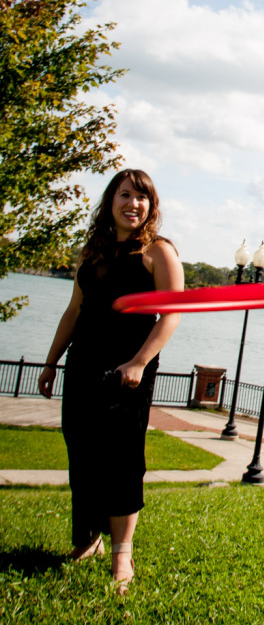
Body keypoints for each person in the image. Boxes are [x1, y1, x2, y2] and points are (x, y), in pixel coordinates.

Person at [39, 169, 183, 594]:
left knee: (120, 460)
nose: (133, 204)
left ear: (150, 206)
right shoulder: (93, 251)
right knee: (81, 451)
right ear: (111, 201)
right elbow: (73, 312)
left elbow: (171, 315)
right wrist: (50, 364)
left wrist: (138, 362)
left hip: (127, 373)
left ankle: (123, 552)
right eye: (125, 195)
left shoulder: (159, 252)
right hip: (83, 365)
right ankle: (88, 538)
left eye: (142, 197)